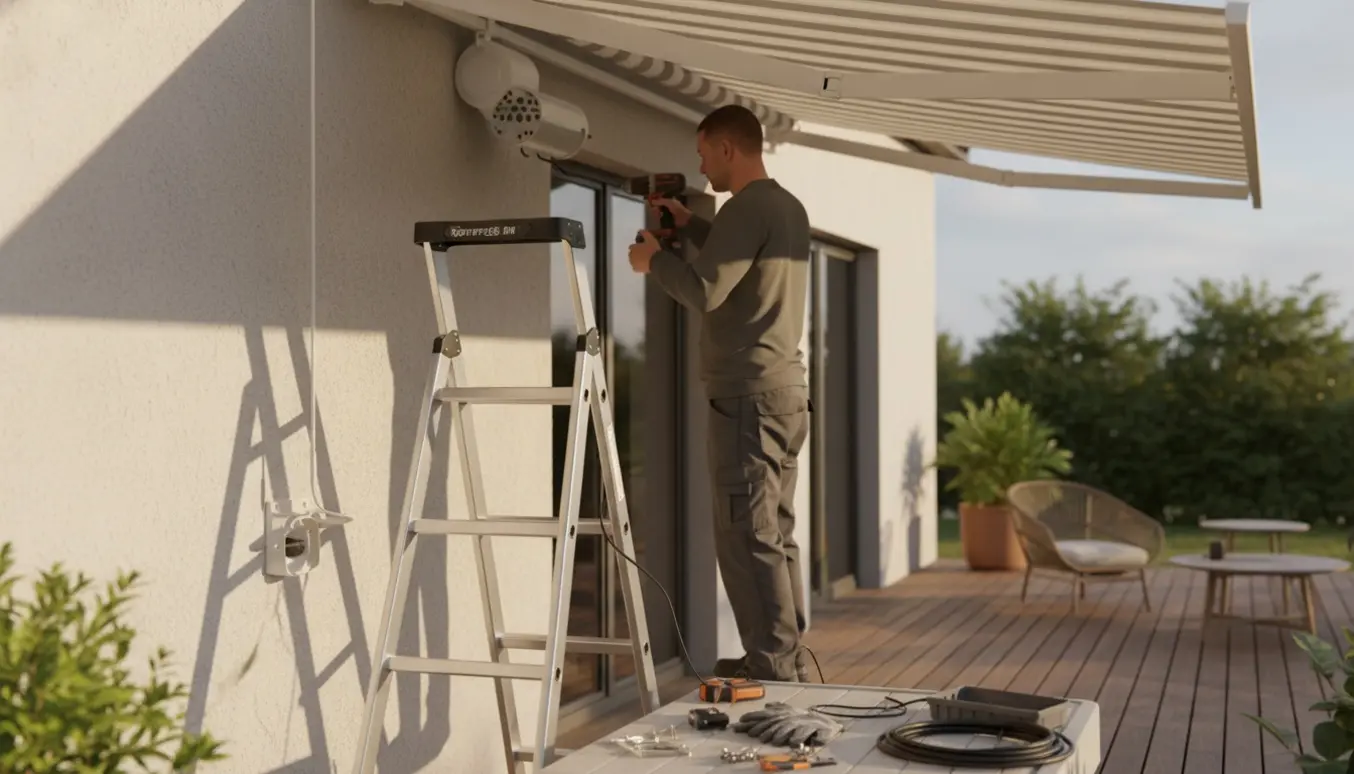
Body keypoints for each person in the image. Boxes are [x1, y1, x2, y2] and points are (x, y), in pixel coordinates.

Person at [627, 104, 812, 683]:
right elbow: (744, 260)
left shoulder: (744, 209)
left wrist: (653, 260)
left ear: (729, 148)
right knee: (775, 532)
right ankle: (786, 654)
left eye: (704, 152)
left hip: (746, 402)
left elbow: (707, 290)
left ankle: (772, 665)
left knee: (747, 535)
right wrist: (693, 224)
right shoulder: (784, 207)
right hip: (785, 393)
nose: (701, 165)